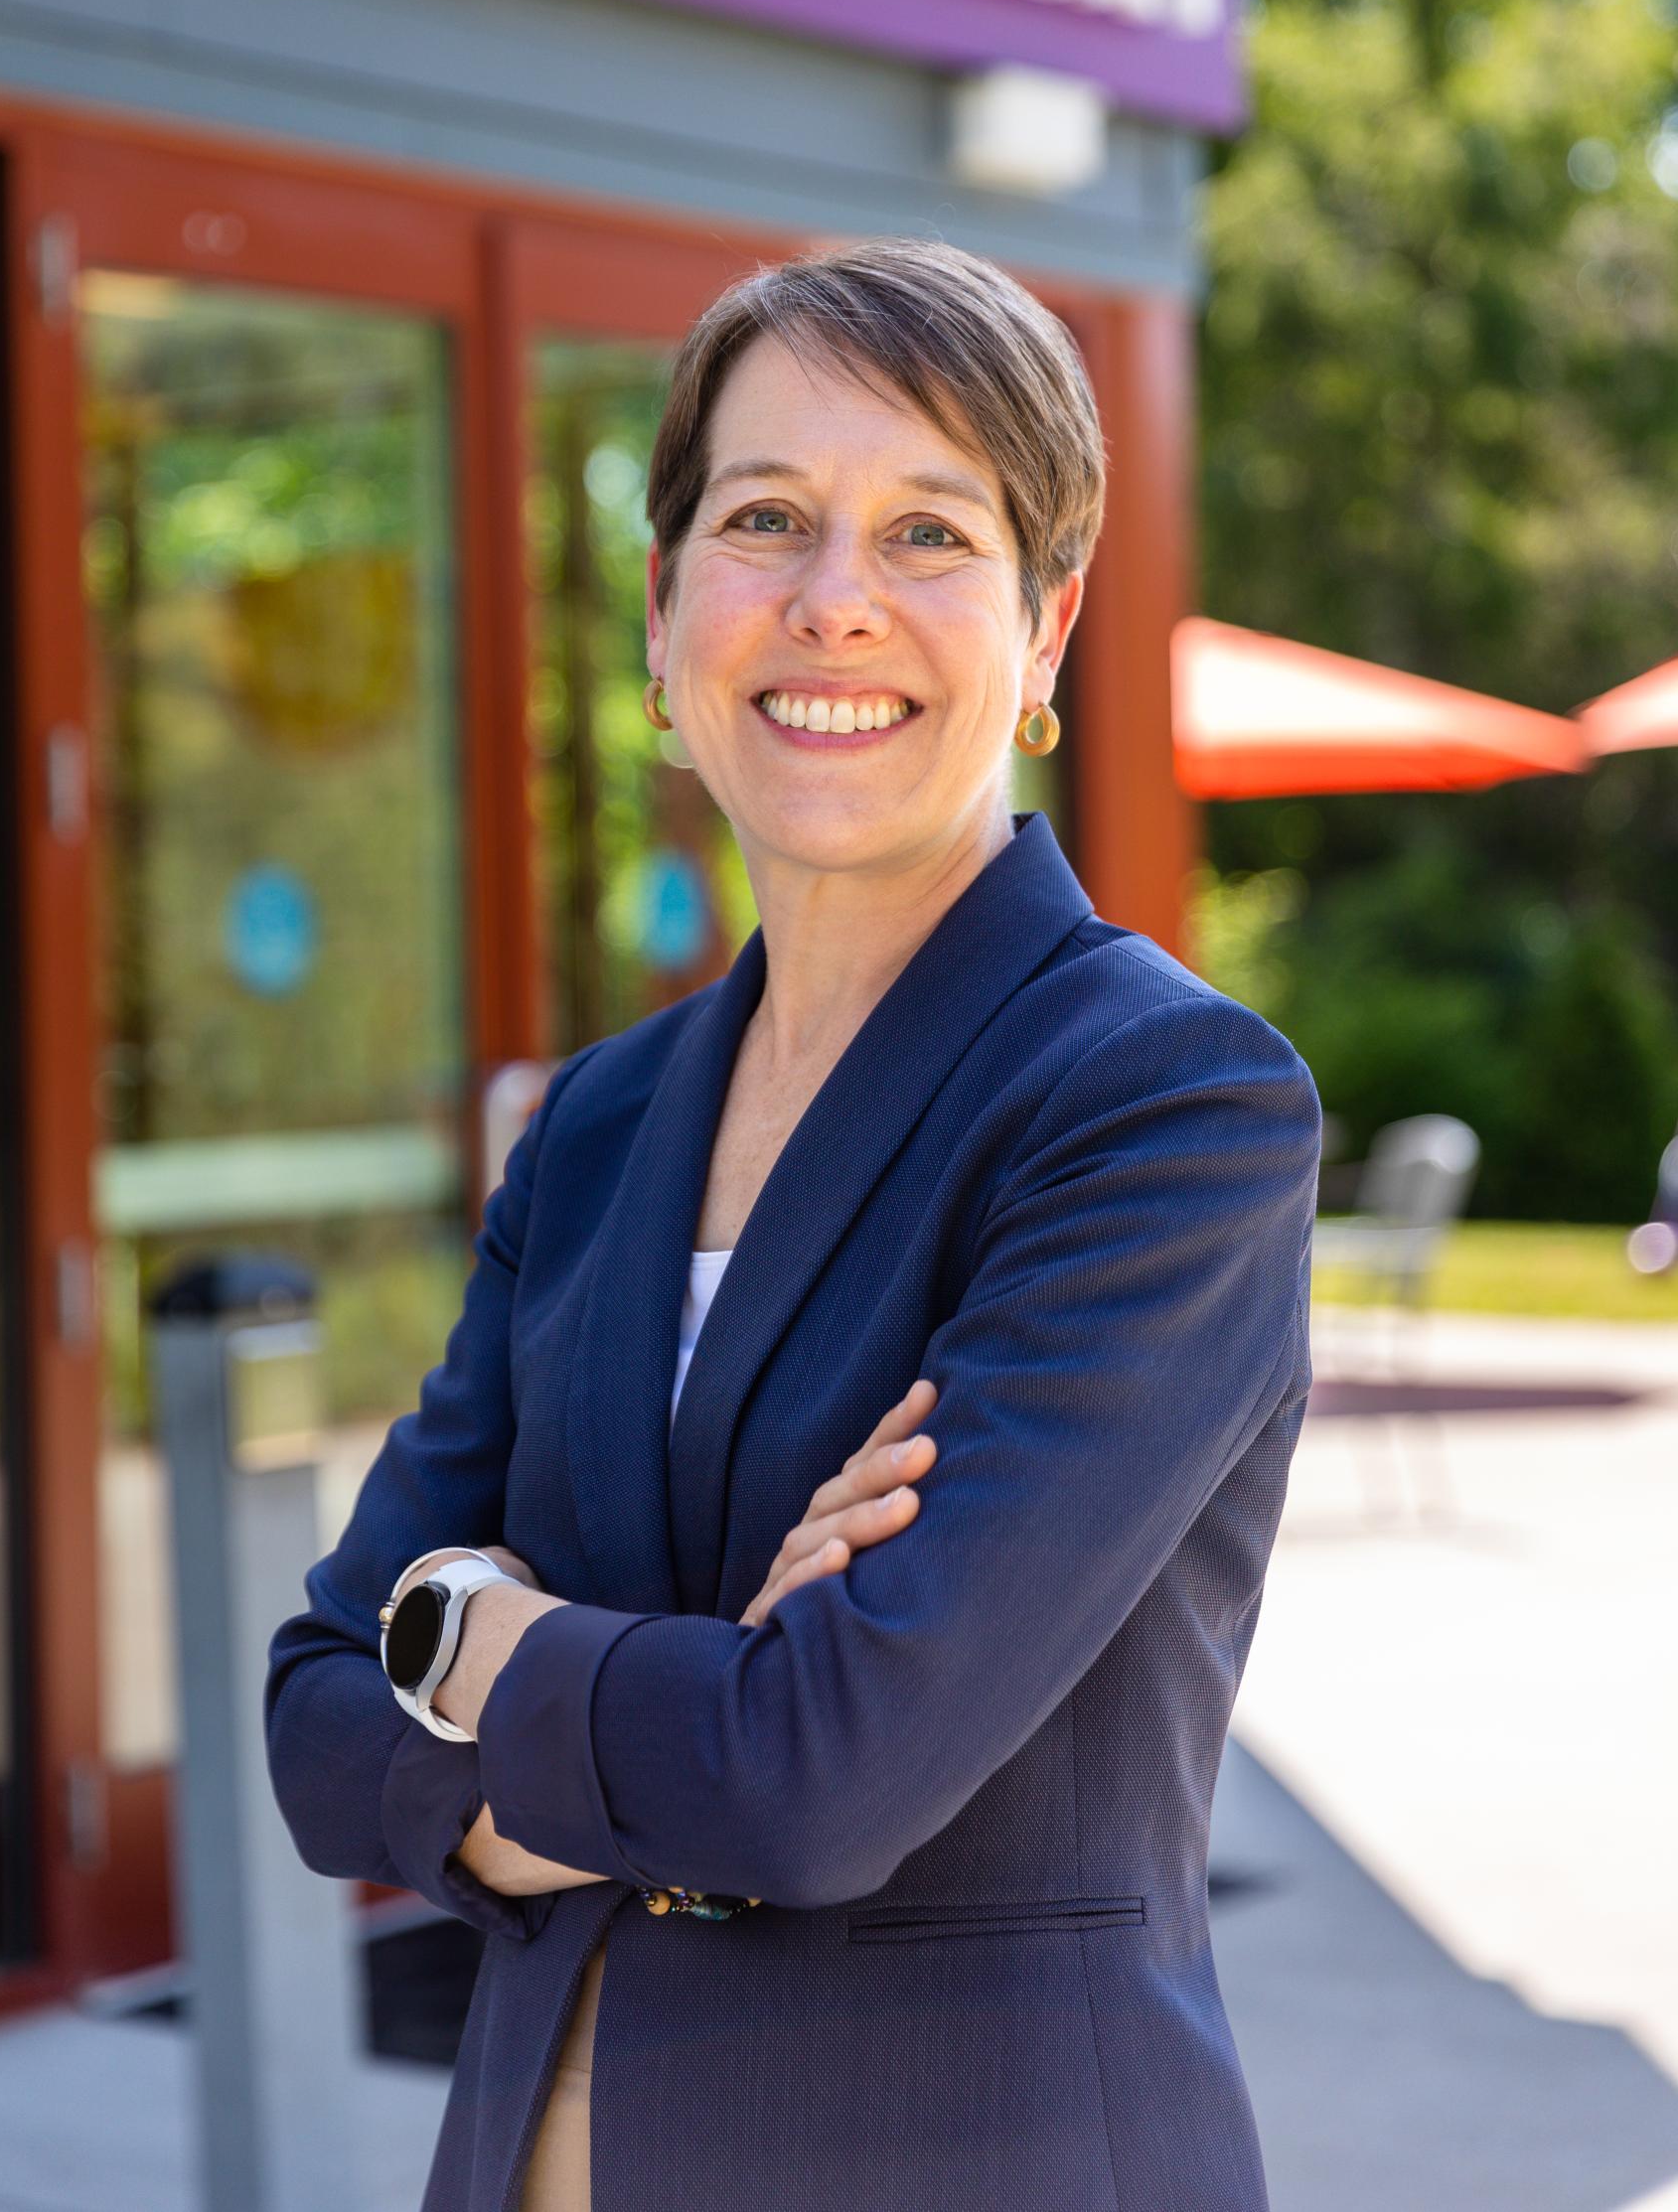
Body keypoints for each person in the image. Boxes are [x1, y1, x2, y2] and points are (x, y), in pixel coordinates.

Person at [265, 238, 1323, 2212]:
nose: (836, 597)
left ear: (1045, 631)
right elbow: (319, 1722)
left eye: (929, 528)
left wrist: (493, 1646)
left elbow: (819, 1775)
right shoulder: (591, 1126)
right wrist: (670, 1682)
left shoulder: (1155, 1102)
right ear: (669, 617)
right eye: (768, 518)